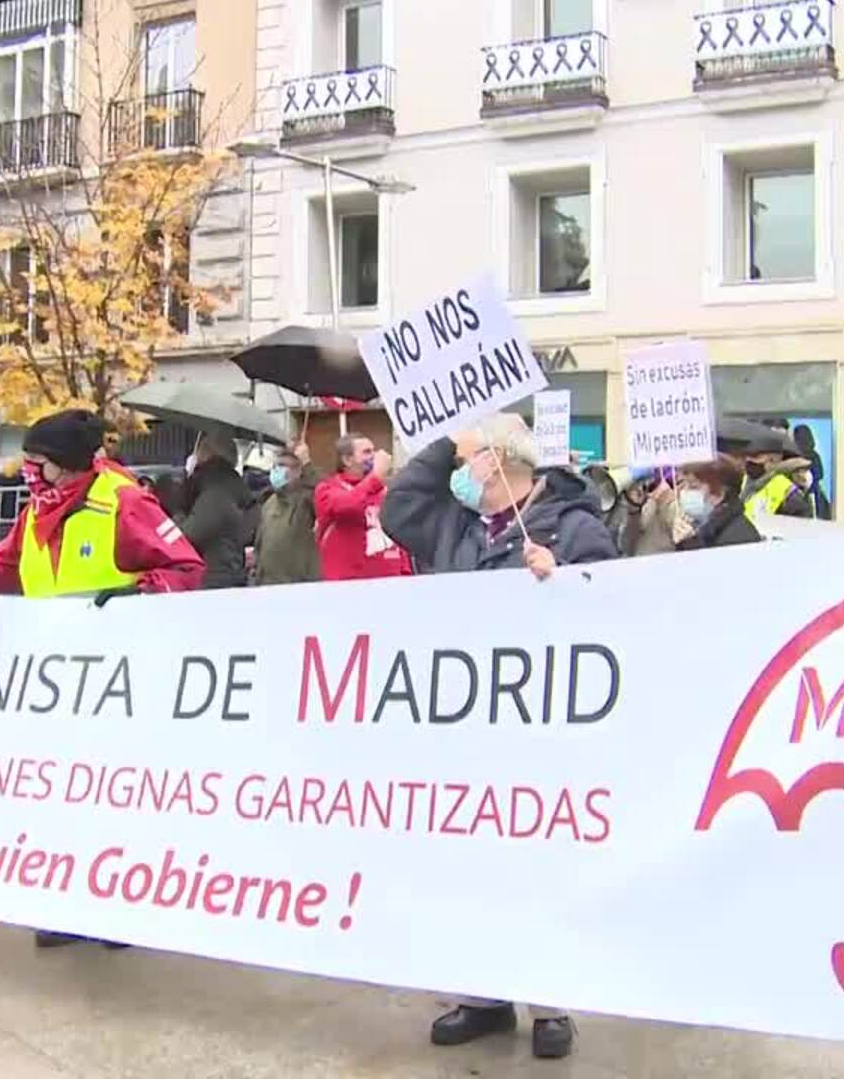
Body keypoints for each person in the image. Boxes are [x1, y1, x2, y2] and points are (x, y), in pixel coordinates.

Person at [0, 410, 203, 947]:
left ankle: (123, 910)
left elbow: (184, 567)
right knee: (65, 797)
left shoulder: (124, 502)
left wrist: (142, 594)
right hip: (56, 681)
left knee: (114, 799)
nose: (27, 471)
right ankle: (74, 908)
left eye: (37, 462)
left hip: (117, 677)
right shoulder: (38, 511)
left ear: (66, 464)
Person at [380, 413, 616, 1061]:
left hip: (539, 735)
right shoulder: (456, 526)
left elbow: (617, 605)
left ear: (499, 464)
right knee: (469, 862)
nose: (460, 469)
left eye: (470, 458)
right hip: (467, 729)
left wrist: (564, 577)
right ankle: (482, 996)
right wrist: (443, 448)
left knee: (538, 864)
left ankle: (549, 1003)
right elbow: (399, 509)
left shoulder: (571, 525)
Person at [315, 434, 411, 581]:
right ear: (347, 460)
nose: (373, 456)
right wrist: (375, 478)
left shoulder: (384, 491)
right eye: (366, 452)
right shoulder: (327, 489)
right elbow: (346, 506)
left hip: (390, 581)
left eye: (373, 451)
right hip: (350, 585)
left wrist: (404, 570)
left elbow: (396, 534)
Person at [176, 430, 253, 590]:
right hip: (230, 576)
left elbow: (186, 537)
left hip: (212, 582)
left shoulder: (215, 493)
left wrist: (177, 513)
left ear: (208, 456)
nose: (195, 457)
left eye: (199, 452)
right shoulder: (235, 489)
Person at [253, 442, 320, 586]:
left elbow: (322, 495)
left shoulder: (306, 499)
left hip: (300, 585)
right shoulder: (269, 502)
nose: (276, 470)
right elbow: (260, 543)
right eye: (275, 466)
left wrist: (307, 465)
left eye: (282, 465)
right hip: (268, 585)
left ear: (297, 471)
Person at [671, 455, 763, 550]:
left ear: (720, 490)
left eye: (694, 487)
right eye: (683, 485)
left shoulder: (739, 538)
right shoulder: (703, 526)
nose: (685, 492)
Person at [739, 438, 814, 526]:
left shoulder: (788, 493)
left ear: (774, 460)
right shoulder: (743, 480)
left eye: (756, 457)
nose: (750, 461)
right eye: (748, 456)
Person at [617, 468, 682, 557]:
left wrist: (666, 503)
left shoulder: (686, 503)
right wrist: (634, 508)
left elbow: (681, 536)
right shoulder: (649, 500)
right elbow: (627, 545)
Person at [792, 423, 833, 520]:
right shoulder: (815, 455)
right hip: (816, 494)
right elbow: (820, 474)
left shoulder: (795, 457)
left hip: (801, 495)